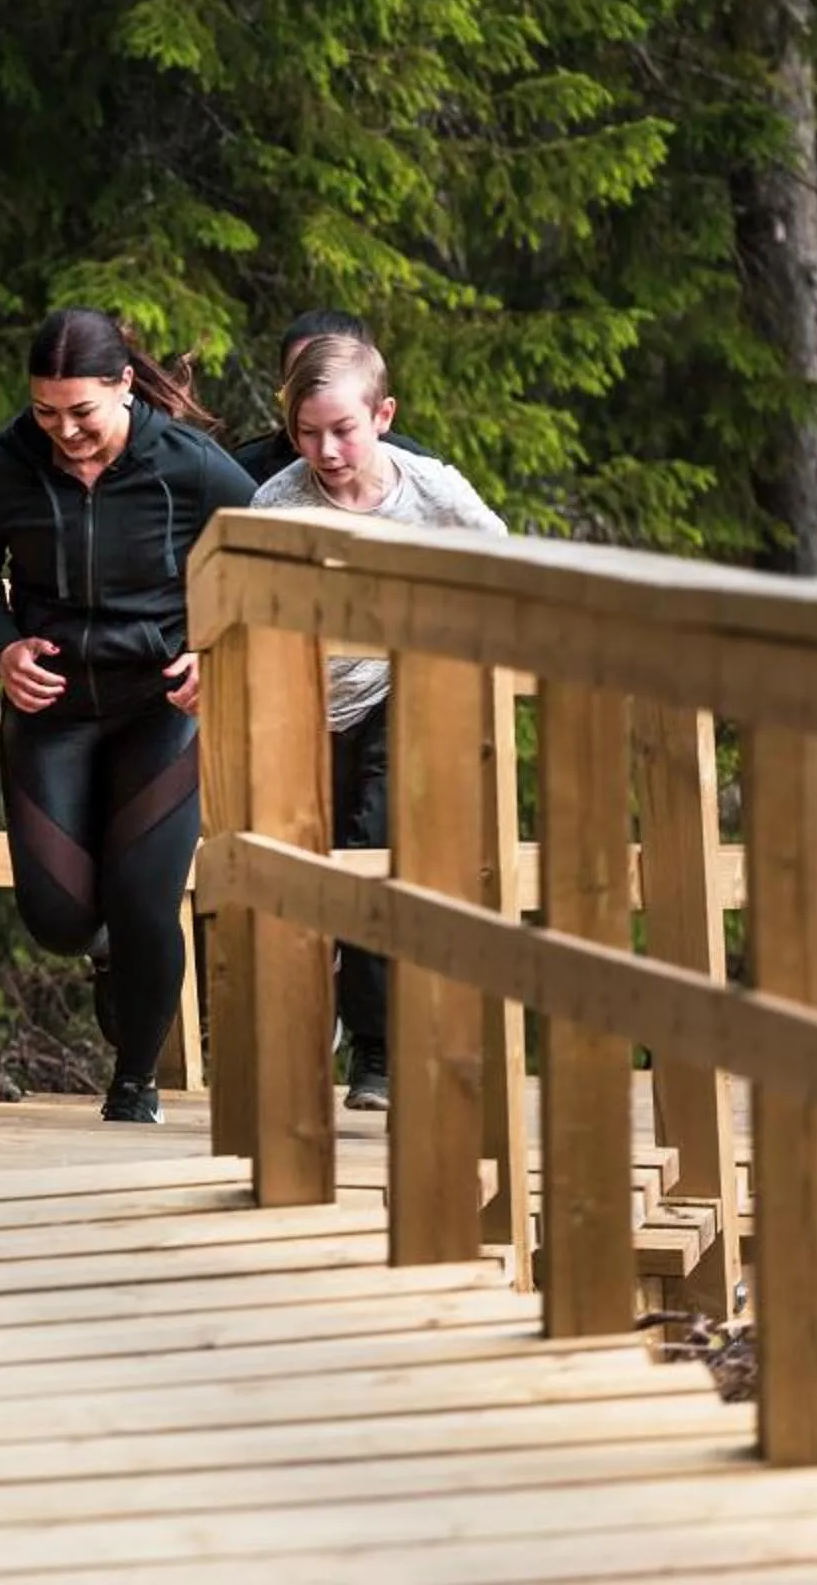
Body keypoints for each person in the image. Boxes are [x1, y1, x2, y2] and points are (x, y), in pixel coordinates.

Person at [0, 308, 259, 1124]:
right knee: (57, 917)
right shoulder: (7, 465)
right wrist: (0, 645)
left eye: (82, 411)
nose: (65, 432)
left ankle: (134, 1083)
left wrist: (219, 649)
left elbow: (266, 560)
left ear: (124, 386)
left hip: (160, 706)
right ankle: (106, 952)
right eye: (47, 412)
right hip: (53, 704)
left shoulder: (189, 466)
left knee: (147, 899)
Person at [251, 333, 507, 1112]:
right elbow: (246, 596)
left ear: (383, 416)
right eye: (307, 433)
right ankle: (295, 1031)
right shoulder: (278, 501)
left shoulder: (430, 492)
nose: (325, 450)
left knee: (371, 846)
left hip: (401, 688)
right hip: (300, 702)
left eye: (343, 429)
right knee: (291, 864)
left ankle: (378, 1052)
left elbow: (503, 563)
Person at [232, 308, 428, 484]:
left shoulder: (422, 478)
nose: (327, 450)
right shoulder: (242, 473)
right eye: (301, 380)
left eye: (343, 430)